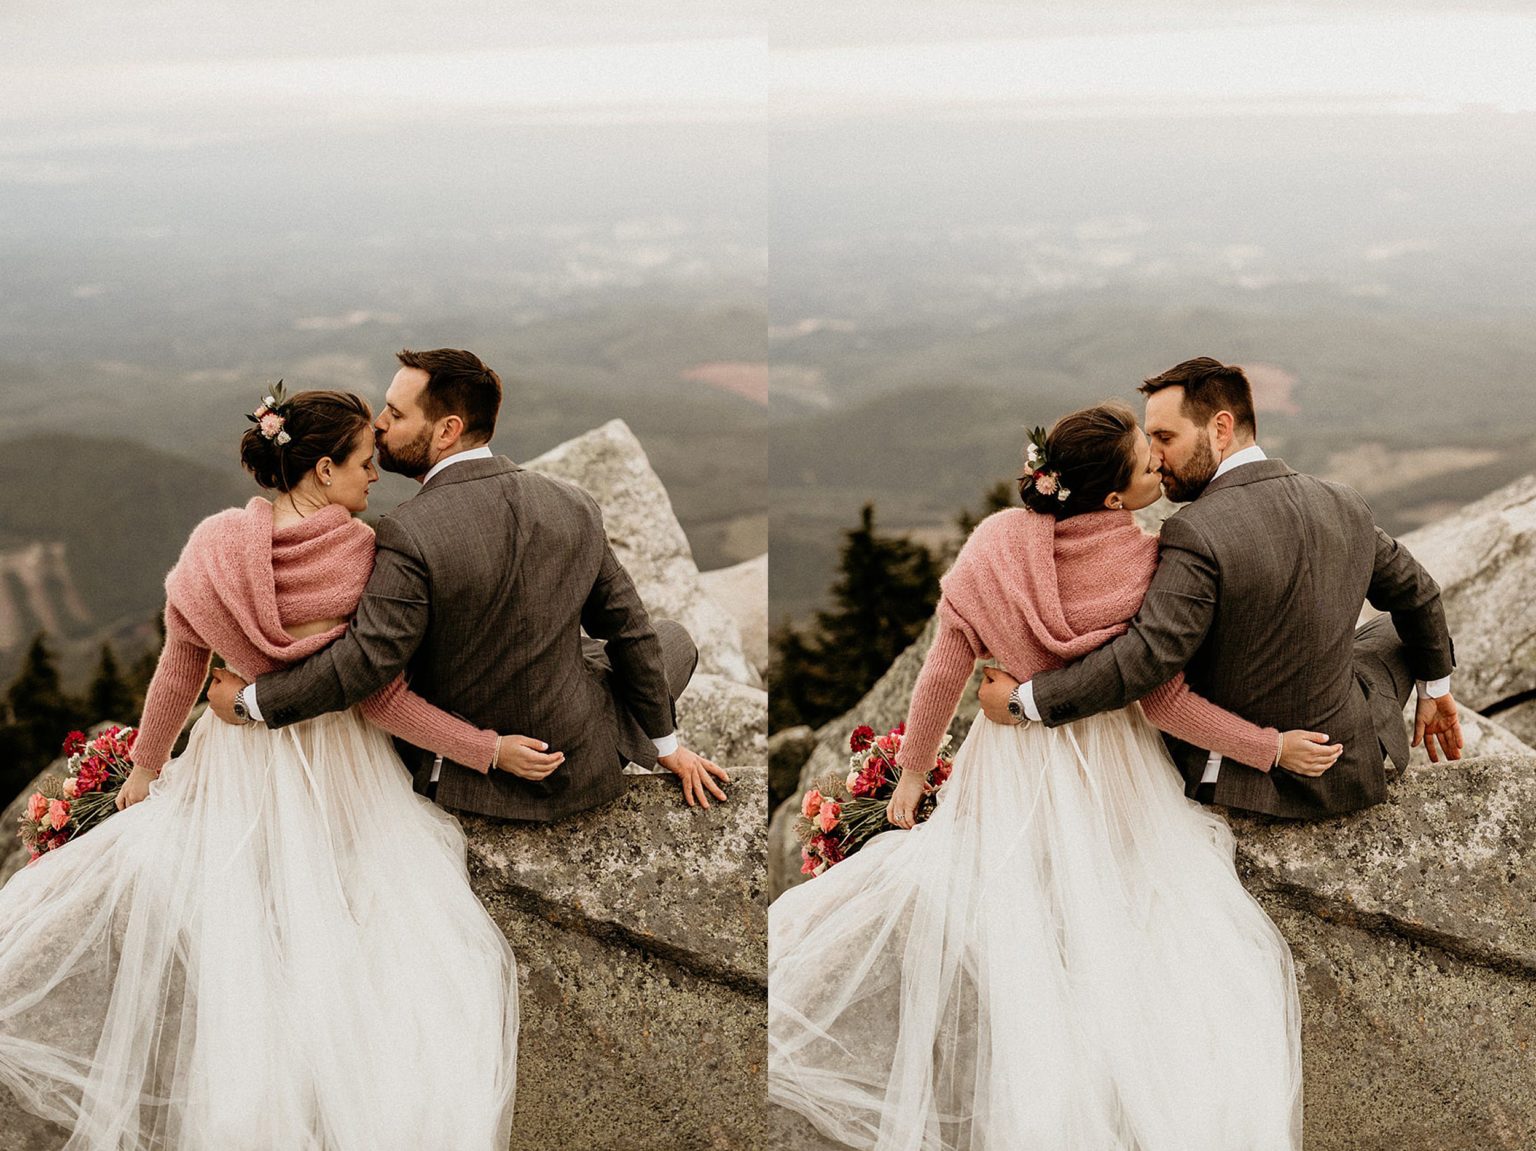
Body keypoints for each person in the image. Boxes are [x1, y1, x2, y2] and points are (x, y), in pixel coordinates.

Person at [770, 401, 1321, 1150]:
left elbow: (944, 671)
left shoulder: (994, 546)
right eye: (1146, 458)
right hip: (1113, 768)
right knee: (1134, 918)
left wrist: (911, 776)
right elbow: (1167, 703)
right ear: (1114, 499)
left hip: (1014, 767)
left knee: (1020, 916)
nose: (1160, 461)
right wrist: (1268, 746)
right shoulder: (1146, 562)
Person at [0, 389, 517, 1148]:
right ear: (321, 467)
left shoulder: (214, 547)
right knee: (358, 928)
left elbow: (180, 668)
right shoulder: (362, 552)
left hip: (236, 764)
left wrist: (145, 769)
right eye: (366, 463)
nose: (375, 476)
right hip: (340, 768)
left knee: (246, 926)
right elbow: (382, 699)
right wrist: (486, 748)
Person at [205, 348, 729, 817]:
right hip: (577, 757)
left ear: (447, 430)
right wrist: (667, 746)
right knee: (667, 641)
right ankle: (605, 742)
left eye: (397, 412)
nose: (380, 424)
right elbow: (629, 632)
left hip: (465, 773)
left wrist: (254, 703)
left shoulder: (406, 530)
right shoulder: (573, 503)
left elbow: (367, 662)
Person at [979, 358, 1460, 818]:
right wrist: (1435, 687)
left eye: (1165, 437)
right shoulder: (1342, 501)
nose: (1155, 456)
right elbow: (1418, 593)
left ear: (1220, 429)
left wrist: (1029, 701)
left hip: (1244, 779)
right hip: (1348, 764)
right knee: (1400, 636)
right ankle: (1400, 698)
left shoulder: (1195, 531)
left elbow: (1147, 657)